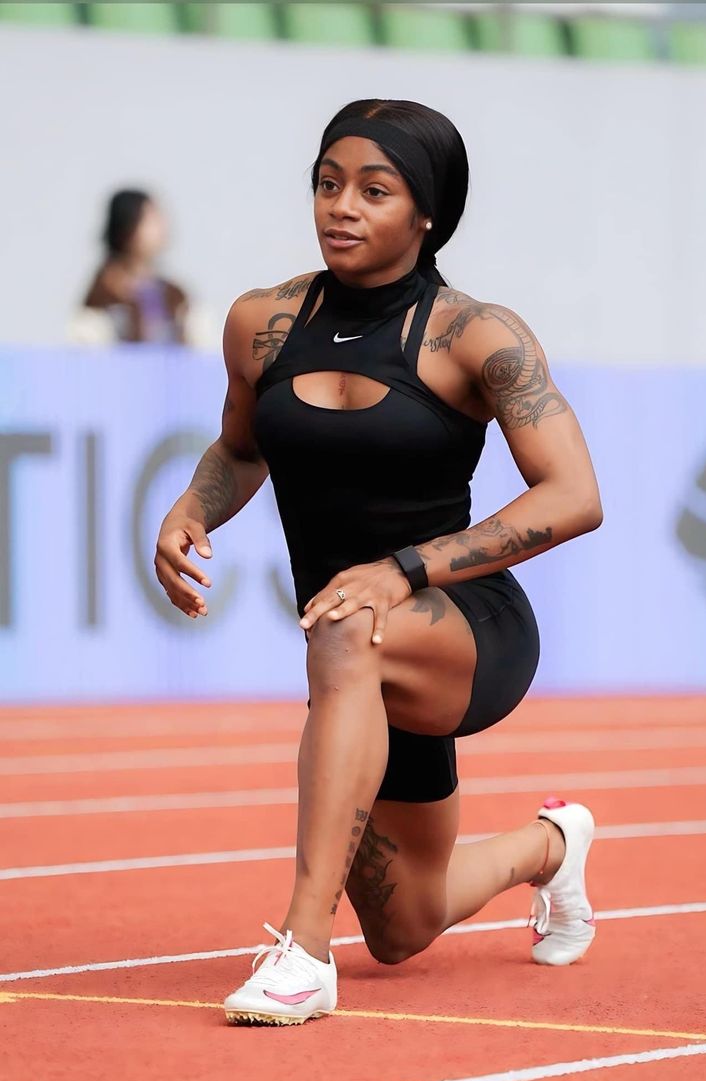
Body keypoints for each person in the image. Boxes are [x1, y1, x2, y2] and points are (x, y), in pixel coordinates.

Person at [154, 99, 603, 1026]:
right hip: (353, 652)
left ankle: (302, 951)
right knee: (405, 925)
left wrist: (404, 569)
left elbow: (573, 495)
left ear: (427, 211)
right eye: (327, 184)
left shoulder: (477, 335)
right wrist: (194, 508)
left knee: (348, 623)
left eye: (374, 189)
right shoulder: (262, 321)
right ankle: (552, 846)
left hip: (460, 629)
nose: (341, 207)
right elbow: (241, 449)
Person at [69, 188, 211, 347]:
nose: (162, 227)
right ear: (128, 227)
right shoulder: (103, 297)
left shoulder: (174, 296)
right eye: (150, 219)